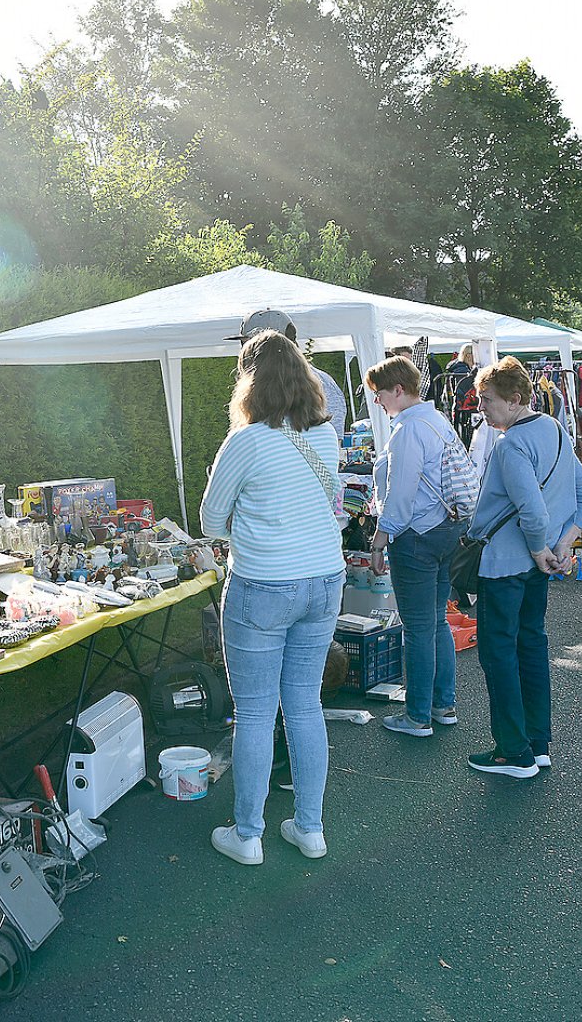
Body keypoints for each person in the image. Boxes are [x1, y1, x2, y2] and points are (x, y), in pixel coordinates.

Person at [200, 330, 346, 864]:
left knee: (256, 713)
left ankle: (249, 834)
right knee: (306, 705)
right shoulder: (325, 435)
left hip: (263, 583)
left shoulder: (246, 440)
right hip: (324, 579)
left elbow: (212, 522)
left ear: (250, 382)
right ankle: (310, 827)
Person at [468, 357, 582, 777]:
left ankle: (512, 751)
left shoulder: (510, 444)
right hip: (538, 564)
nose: (480, 407)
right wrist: (559, 546)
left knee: (499, 653)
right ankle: (536, 743)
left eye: (486, 400)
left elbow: (532, 510)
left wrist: (544, 547)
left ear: (515, 399)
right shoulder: (553, 428)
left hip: (506, 563)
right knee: (531, 646)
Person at [366, 356, 464, 738]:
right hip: (445, 530)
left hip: (416, 535)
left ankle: (417, 715)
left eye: (378, 394)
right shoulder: (436, 420)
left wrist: (380, 535)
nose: (377, 402)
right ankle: (442, 705)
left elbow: (400, 492)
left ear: (398, 390)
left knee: (418, 627)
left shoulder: (408, 429)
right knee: (436, 621)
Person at [231, 308, 348, 441]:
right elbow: (334, 445)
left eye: (250, 345)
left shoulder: (323, 385)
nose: (243, 352)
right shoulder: (322, 383)